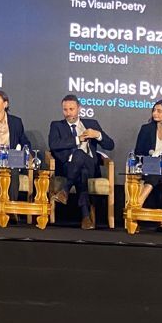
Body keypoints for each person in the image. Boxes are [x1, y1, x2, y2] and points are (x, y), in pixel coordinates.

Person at [48, 94, 115, 229]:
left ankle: (65, 190)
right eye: (65, 110)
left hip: (91, 165)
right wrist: (77, 139)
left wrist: (97, 135)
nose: (68, 113)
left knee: (80, 156)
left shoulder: (91, 124)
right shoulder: (57, 125)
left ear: (79, 108)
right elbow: (54, 144)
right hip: (68, 167)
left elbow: (110, 145)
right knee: (81, 171)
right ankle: (85, 217)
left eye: (71, 109)